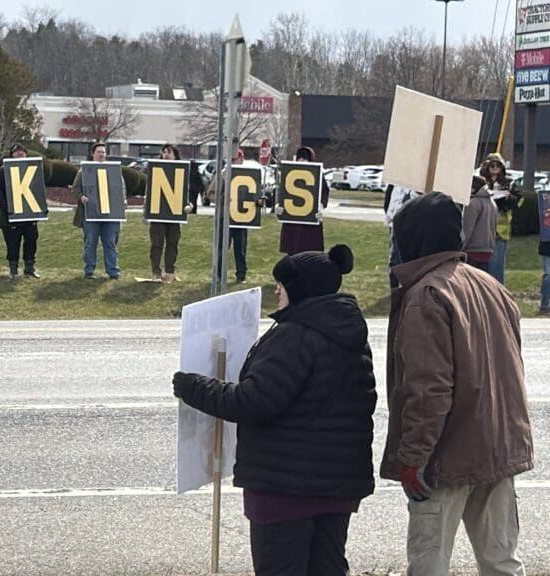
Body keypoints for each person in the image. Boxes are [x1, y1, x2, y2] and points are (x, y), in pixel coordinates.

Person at [172, 244, 376, 576]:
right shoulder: (349, 332)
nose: (277, 291)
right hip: (338, 483)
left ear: (300, 289)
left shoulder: (294, 336)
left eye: (281, 284)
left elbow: (253, 402)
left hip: (285, 487)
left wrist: (192, 386)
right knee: (328, 568)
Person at [385, 192, 532, 576]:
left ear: (413, 237)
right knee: (502, 562)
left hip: (446, 454)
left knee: (429, 562)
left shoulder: (427, 294)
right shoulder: (491, 286)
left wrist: (412, 457)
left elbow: (428, 390)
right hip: (499, 446)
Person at [145, 143, 202, 283]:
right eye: (164, 152)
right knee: (156, 244)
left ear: (175, 156)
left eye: (169, 152)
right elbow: (148, 191)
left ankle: (169, 272)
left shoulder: (182, 171)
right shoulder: (154, 170)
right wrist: (145, 212)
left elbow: (187, 192)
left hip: (174, 215)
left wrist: (189, 204)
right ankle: (156, 272)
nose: (166, 155)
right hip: (158, 214)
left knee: (172, 244)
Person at [72, 142, 124, 279]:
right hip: (91, 213)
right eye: (99, 152)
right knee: (90, 243)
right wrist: (81, 197)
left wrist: (122, 201)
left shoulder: (113, 170)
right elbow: (75, 189)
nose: (101, 154)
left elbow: (121, 188)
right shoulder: (84, 170)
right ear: (93, 154)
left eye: (103, 152)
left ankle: (113, 271)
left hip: (110, 214)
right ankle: (89, 270)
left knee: (110, 243)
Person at [0, 143, 40, 279]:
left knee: (31, 241)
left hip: (29, 215)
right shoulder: (3, 171)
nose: (20, 153)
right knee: (12, 243)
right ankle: (13, 269)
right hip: (10, 216)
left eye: (22, 151)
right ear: (11, 155)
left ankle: (29, 268)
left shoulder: (32, 170)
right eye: (16, 152)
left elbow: (38, 189)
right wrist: (5, 205)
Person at [207, 150, 252, 284]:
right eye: (231, 159)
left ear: (242, 159)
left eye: (236, 158)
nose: (233, 161)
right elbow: (211, 193)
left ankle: (241, 275)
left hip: (241, 217)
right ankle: (219, 275)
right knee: (222, 247)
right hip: (224, 216)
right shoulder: (222, 174)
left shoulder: (248, 175)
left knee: (241, 248)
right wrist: (223, 198)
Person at [280, 146, 329, 256]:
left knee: (310, 248)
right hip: (293, 218)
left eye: (305, 158)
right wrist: (280, 206)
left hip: (310, 219)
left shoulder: (317, 174)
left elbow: (324, 192)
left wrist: (321, 207)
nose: (302, 161)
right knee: (293, 249)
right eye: (300, 158)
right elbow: (283, 192)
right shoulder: (291, 173)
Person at [480, 153, 518, 284]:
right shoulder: (480, 182)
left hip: (500, 231)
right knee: (481, 267)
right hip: (482, 230)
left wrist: (508, 198)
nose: (495, 168)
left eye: (498, 165)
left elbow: (518, 201)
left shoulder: (509, 183)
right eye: (492, 165)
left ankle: (497, 292)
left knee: (496, 266)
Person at [461, 175, 496, 273]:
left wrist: (460, 247)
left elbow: (467, 228)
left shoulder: (473, 203)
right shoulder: (492, 203)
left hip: (472, 249)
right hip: (487, 249)